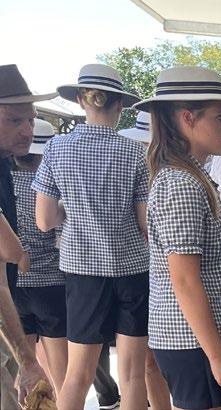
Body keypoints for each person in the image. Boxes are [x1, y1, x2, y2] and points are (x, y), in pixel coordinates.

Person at [33, 64, 150, 409]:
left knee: (77, 375)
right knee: (133, 374)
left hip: (83, 273)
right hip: (132, 270)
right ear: (120, 105)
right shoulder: (135, 152)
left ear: (81, 100)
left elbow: (44, 220)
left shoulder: (57, 148)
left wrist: (70, 210)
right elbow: (145, 222)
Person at [138, 66, 221, 410]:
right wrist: (216, 356)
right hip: (192, 341)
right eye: (220, 118)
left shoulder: (191, 176)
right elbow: (184, 279)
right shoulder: (181, 183)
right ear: (188, 118)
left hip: (199, 336)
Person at [0, 63, 54, 408]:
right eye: (14, 120)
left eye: (31, 120)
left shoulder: (4, 163)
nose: (27, 131)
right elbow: (8, 252)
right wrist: (28, 360)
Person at [11, 119, 67, 395]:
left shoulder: (6, 184)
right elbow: (60, 236)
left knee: (23, 371)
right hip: (51, 284)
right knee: (62, 374)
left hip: (13, 286)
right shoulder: (50, 190)